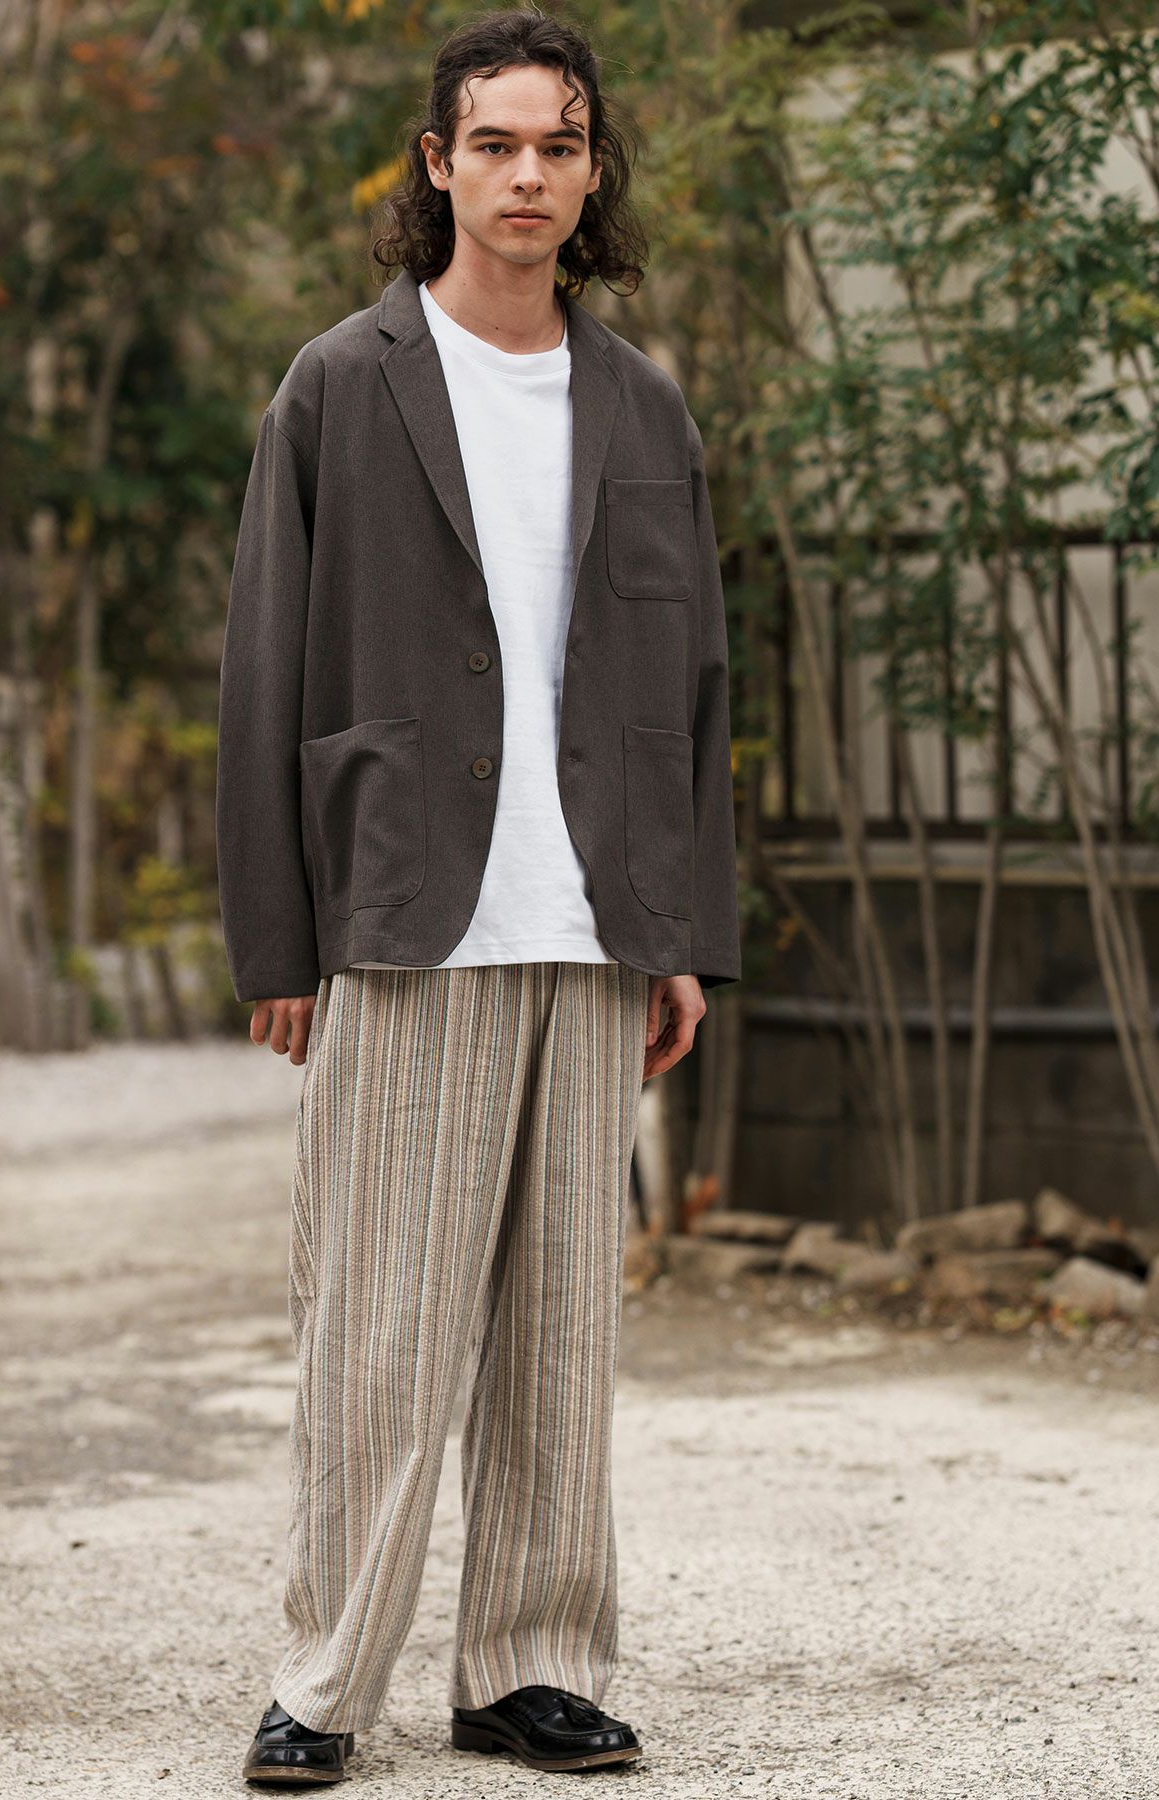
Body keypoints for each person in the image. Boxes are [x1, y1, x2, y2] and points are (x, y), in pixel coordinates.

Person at [215, 8, 741, 1785]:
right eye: (495, 144)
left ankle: (530, 1665)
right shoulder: (339, 386)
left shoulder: (641, 403)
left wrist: (683, 933)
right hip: (406, 910)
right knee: (380, 1330)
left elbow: (694, 687)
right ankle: (324, 1680)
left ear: (593, 174)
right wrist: (279, 937)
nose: (528, 176)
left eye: (560, 146)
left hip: (594, 928)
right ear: (437, 164)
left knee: (559, 1342)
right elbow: (265, 669)